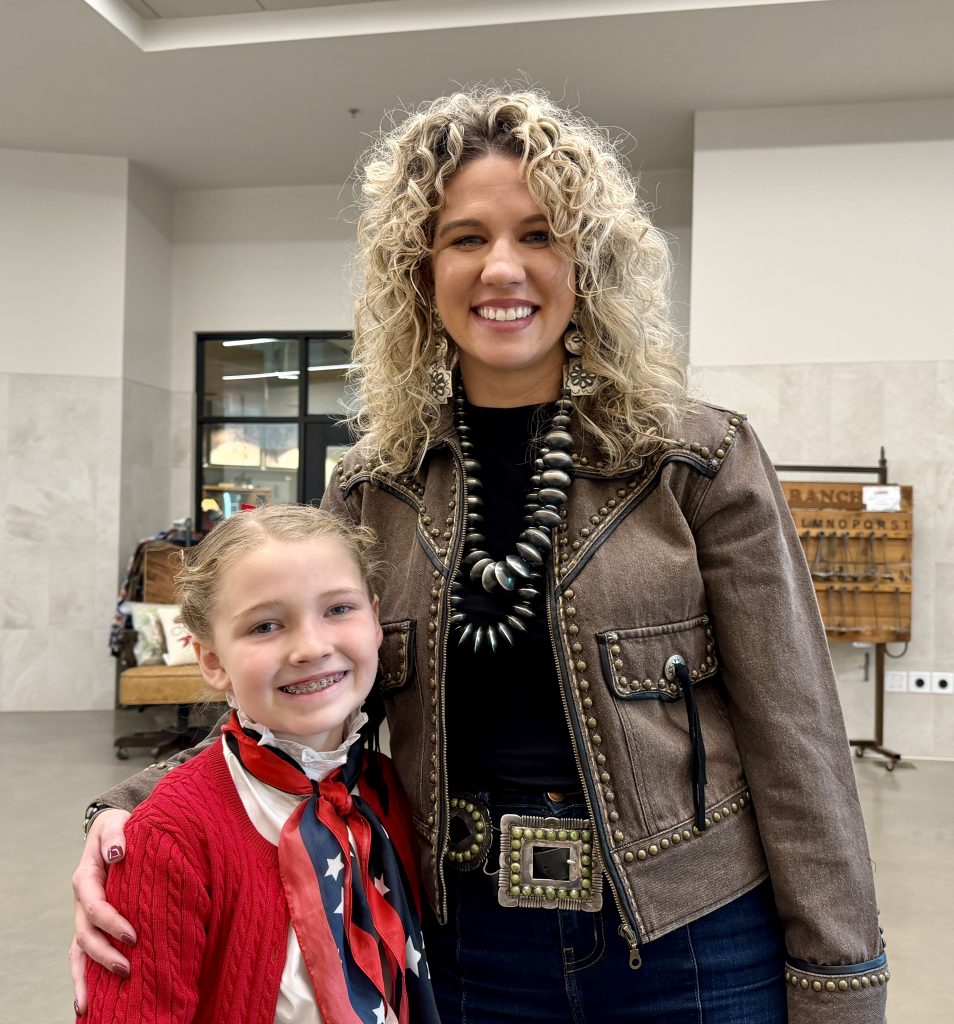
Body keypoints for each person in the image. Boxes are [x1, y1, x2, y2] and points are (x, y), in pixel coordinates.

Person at [73, 88, 888, 1023]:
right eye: (466, 238)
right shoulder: (374, 484)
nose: (504, 267)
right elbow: (304, 685)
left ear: (588, 263)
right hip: (461, 944)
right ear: (421, 271)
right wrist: (131, 809)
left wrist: (840, 982)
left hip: (693, 939)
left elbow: (800, 739)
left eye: (539, 234)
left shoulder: (696, 461)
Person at [81, 504, 440, 1024]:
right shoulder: (169, 837)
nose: (312, 647)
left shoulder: (390, 788)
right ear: (211, 660)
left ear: (378, 619)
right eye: (266, 625)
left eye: (339, 609)